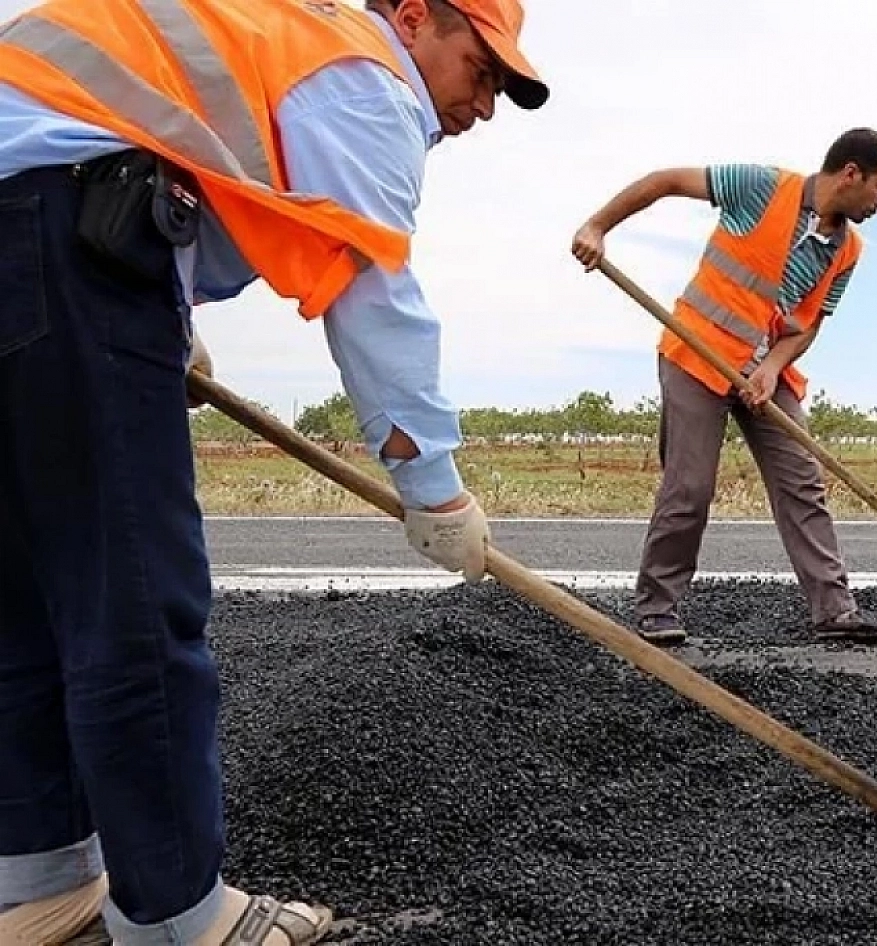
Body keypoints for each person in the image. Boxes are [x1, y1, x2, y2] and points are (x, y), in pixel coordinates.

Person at [0, 0, 547, 942]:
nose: (485, 104)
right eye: (483, 69)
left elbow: (91, 145)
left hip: (37, 226)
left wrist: (160, 311)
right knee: (134, 601)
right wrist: (434, 486)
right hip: (67, 226)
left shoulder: (276, 39)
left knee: (29, 594)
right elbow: (374, 292)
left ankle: (39, 884)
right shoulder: (364, 75)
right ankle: (177, 914)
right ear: (415, 18)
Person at [571, 129, 877, 646]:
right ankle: (657, 608)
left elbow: (810, 323)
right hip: (697, 354)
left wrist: (772, 367)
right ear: (850, 174)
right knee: (690, 486)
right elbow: (664, 182)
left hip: (765, 372)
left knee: (803, 481)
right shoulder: (760, 187)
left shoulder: (848, 250)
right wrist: (597, 226)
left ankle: (835, 612)